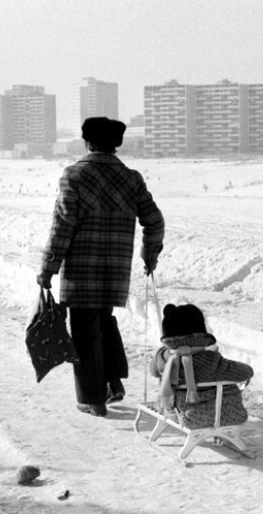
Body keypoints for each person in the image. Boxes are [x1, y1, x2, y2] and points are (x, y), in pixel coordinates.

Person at [37, 117, 164, 417]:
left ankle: (92, 399)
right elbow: (154, 221)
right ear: (115, 144)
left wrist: (48, 267)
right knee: (103, 322)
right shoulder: (132, 178)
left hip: (82, 271)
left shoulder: (75, 175)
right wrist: (150, 255)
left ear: (87, 141)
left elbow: (62, 226)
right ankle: (112, 382)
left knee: (83, 331)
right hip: (115, 272)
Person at [150, 304, 254, 429]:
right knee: (225, 385)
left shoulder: (164, 357)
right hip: (206, 417)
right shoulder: (210, 360)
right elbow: (246, 372)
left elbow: (154, 371)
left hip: (172, 412)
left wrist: (162, 351)